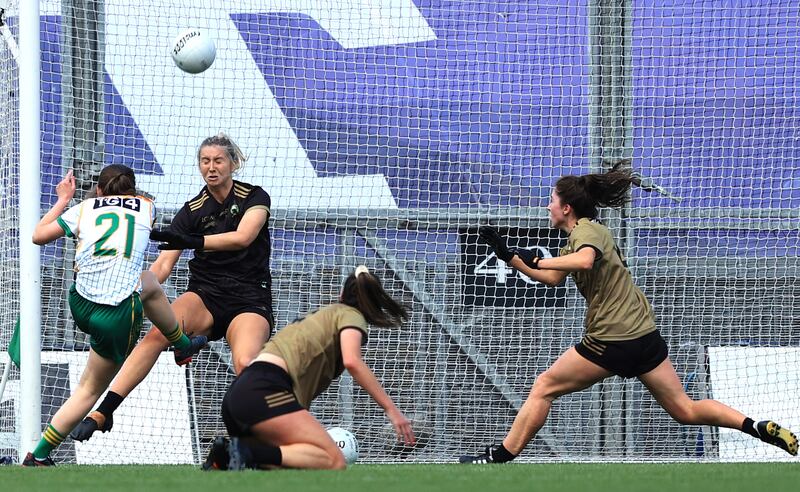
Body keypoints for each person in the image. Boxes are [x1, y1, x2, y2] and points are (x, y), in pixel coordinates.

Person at [459, 168, 798, 463]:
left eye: (551, 199)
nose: (547, 206)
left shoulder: (587, 232)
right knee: (685, 409)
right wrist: (510, 257)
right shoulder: (578, 237)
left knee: (544, 386)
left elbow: (584, 261)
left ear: (566, 208)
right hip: (644, 335)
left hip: (612, 339)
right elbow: (551, 277)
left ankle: (500, 456)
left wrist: (537, 259)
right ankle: (757, 426)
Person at [70, 133, 275, 442]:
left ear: (233, 163)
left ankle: (256, 438)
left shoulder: (255, 197)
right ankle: (104, 411)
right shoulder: (193, 209)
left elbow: (243, 237)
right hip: (205, 295)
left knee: (245, 362)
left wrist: (194, 241)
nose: (211, 167)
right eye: (205, 161)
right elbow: (163, 265)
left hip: (249, 298)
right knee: (156, 333)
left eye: (218, 160)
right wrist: (130, 291)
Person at [22, 165, 207, 466]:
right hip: (116, 313)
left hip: (81, 304)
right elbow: (136, 221)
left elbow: (38, 236)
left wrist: (63, 199)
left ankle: (182, 343)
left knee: (148, 283)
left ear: (98, 190)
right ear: (133, 189)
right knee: (89, 388)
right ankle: (39, 455)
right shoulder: (147, 207)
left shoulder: (83, 209)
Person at [202, 266, 416, 470]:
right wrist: (392, 410)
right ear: (373, 302)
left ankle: (230, 458)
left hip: (240, 395)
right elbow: (353, 361)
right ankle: (239, 453)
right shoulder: (351, 315)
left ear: (341, 294)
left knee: (292, 464)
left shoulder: (321, 317)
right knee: (333, 460)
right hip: (265, 391)